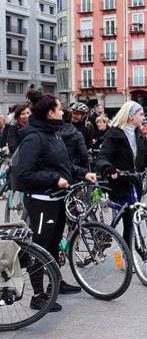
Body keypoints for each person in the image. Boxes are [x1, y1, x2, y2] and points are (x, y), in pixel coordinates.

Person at [13, 91, 97, 311]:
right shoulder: (34, 137)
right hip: (41, 200)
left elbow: (62, 165)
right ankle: (38, 296)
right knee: (40, 247)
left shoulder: (53, 133)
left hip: (56, 198)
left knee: (52, 245)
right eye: (59, 108)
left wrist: (81, 173)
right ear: (50, 113)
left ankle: (56, 283)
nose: (63, 111)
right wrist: (54, 179)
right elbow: (23, 175)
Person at [96, 101, 147, 278]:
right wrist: (109, 169)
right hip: (119, 183)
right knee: (129, 220)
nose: (143, 118)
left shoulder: (139, 133)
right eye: (141, 114)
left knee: (132, 221)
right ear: (131, 115)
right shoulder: (114, 134)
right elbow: (103, 157)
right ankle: (145, 259)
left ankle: (130, 256)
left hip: (134, 182)